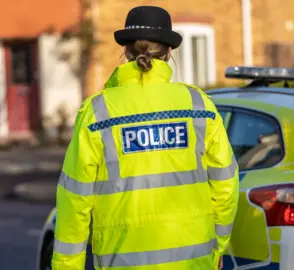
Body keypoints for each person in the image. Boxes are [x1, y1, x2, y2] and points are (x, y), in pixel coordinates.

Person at [51, 5, 239, 270]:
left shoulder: (98, 113)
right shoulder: (199, 106)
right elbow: (226, 185)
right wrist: (216, 247)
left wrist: (66, 266)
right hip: (194, 261)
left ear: (125, 51)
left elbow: (74, 200)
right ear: (169, 52)